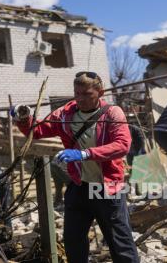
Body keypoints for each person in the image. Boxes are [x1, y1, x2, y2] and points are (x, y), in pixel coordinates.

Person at [12, 71, 139, 263]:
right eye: (77, 93)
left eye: (86, 94)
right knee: (73, 241)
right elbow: (37, 130)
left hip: (105, 187)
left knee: (119, 242)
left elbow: (122, 145)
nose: (80, 99)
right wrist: (23, 119)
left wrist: (85, 154)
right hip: (79, 186)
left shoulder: (112, 113)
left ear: (100, 92)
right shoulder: (65, 113)